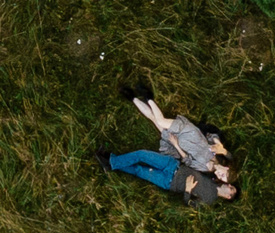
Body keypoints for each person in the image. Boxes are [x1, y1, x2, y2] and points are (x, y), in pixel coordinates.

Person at [98, 82, 238, 204]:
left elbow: (189, 167)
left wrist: (188, 191)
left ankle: (111, 162)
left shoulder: (208, 183)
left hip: (174, 168)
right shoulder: (219, 157)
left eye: (228, 185)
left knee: (140, 166)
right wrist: (222, 149)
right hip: (187, 138)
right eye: (229, 183)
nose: (224, 179)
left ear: (228, 196)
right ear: (226, 169)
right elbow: (228, 154)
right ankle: (147, 97)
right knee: (158, 122)